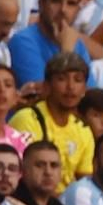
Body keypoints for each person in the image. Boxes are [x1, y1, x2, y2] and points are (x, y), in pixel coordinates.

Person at [10, 51, 93, 195]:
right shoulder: (27, 119)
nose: (71, 87)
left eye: (78, 80)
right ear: (47, 86)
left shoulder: (83, 130)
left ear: (84, 89)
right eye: (62, 79)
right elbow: (22, 177)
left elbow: (85, 184)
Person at [8, 0, 92, 87]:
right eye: (56, 1)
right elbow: (49, 94)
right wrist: (67, 51)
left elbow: (91, 95)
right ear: (41, 3)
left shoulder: (78, 45)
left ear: (78, 10)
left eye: (71, 4)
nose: (63, 10)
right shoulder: (23, 41)